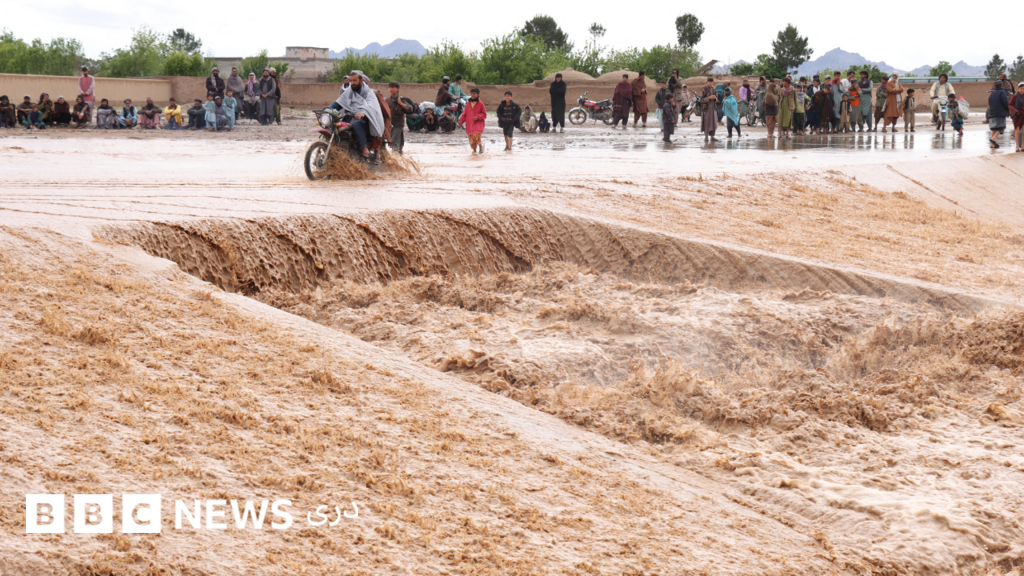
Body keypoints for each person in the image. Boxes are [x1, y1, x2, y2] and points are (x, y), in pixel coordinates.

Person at [334, 70, 386, 162]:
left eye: (355, 80)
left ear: (361, 80)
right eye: (351, 80)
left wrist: (363, 113)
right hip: (351, 117)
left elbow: (371, 106)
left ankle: (364, 152)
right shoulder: (349, 91)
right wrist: (327, 109)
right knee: (338, 126)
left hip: (368, 121)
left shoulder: (370, 93)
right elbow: (339, 103)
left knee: (357, 125)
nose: (352, 83)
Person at [385, 81, 414, 154]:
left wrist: (400, 103)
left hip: (398, 125)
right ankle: (399, 157)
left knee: (394, 142)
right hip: (389, 125)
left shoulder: (402, 100)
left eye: (393, 87)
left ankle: (395, 158)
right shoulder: (387, 101)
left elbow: (410, 109)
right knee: (398, 143)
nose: (391, 89)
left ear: (398, 89)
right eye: (390, 87)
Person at [459, 87, 487, 153]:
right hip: (469, 124)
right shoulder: (468, 103)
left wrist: (477, 117)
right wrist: (460, 122)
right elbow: (464, 114)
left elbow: (484, 114)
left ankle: (480, 146)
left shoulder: (481, 104)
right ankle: (474, 151)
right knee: (471, 138)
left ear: (478, 94)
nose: (473, 95)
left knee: (476, 135)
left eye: (474, 93)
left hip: (478, 124)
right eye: (471, 93)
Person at [988, 80, 1010, 148]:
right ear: (1002, 86)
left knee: (994, 128)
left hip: (992, 112)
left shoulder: (992, 94)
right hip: (1000, 112)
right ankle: (993, 138)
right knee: (1001, 127)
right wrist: (1009, 108)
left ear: (995, 86)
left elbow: (989, 103)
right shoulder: (1003, 92)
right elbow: (1005, 102)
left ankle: (992, 144)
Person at [1012, 83, 1024, 152]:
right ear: (1018, 89)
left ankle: (1023, 146)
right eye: (1021, 88)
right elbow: (1010, 105)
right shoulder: (1015, 96)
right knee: (1017, 131)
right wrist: (1015, 111)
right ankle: (1017, 146)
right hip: (1017, 116)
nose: (1022, 90)